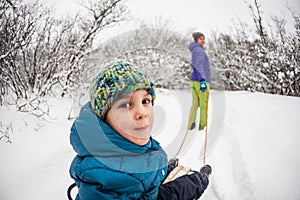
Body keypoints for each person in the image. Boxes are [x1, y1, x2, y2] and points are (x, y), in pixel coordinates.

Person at [68, 61, 211, 200]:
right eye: (126, 104)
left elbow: (140, 182)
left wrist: (160, 171)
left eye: (145, 101)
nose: (142, 113)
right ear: (104, 118)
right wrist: (185, 189)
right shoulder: (107, 178)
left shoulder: (132, 146)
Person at [188, 32, 212, 131]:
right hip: (201, 81)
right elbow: (199, 65)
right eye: (201, 39)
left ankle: (191, 124)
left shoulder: (195, 50)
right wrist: (202, 80)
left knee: (195, 103)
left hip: (195, 80)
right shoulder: (199, 50)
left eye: (204, 38)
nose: (203, 41)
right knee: (203, 103)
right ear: (196, 40)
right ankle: (203, 126)